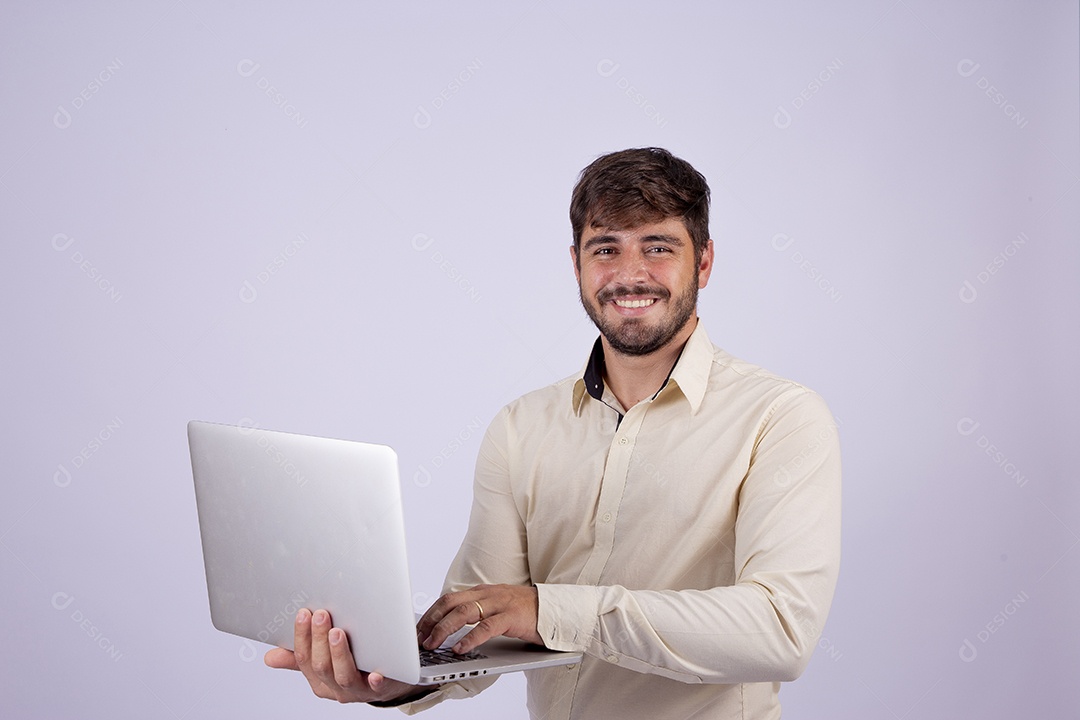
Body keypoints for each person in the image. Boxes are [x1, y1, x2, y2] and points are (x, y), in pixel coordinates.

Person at [265, 147, 842, 719]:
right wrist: (394, 680)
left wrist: (548, 609)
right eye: (606, 249)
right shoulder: (520, 428)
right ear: (576, 265)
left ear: (706, 262)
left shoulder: (781, 418)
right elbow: (483, 629)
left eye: (658, 248)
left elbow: (781, 630)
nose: (629, 274)